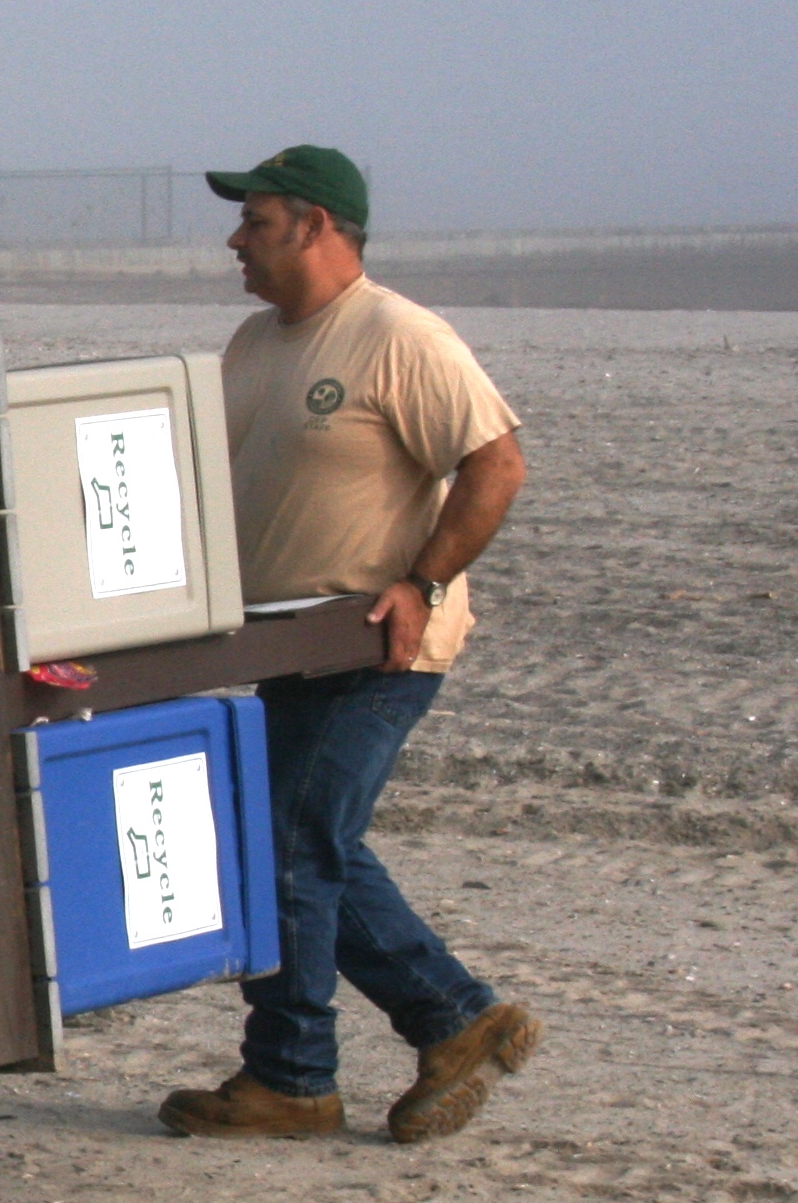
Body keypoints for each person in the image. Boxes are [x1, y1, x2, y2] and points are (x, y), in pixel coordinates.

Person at [162, 145, 540, 1145]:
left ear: (319, 225)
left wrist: (420, 583)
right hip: (280, 650)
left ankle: (291, 1078)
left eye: (255, 219)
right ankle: (454, 1018)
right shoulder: (252, 344)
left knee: (289, 843)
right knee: (302, 839)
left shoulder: (397, 335)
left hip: (375, 648)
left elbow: (495, 465)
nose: (235, 239)